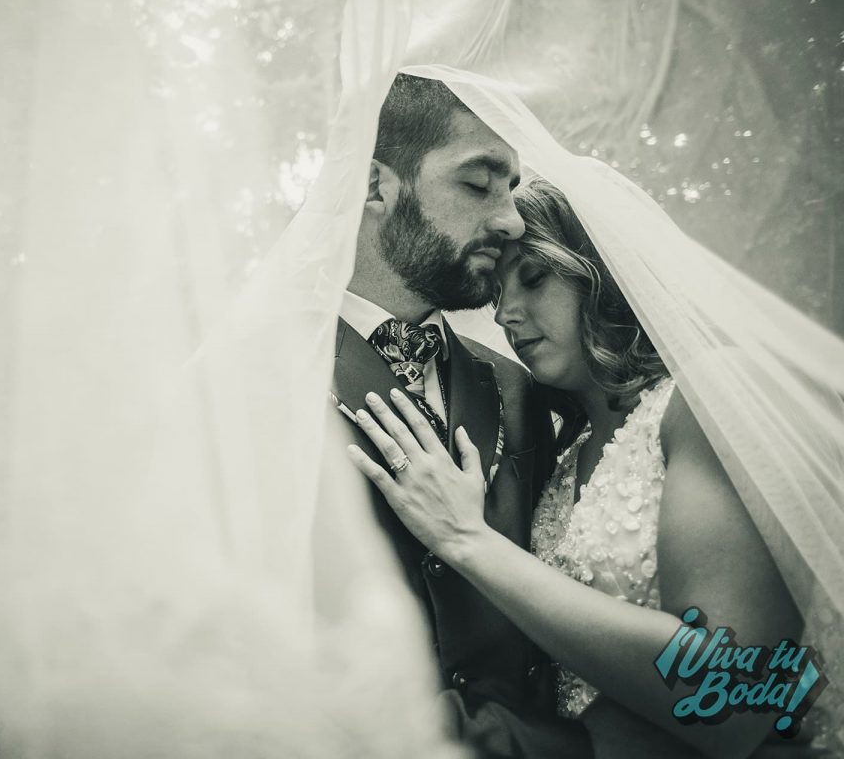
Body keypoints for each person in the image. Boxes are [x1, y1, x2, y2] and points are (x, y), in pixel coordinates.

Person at [347, 175, 826, 757]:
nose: (506, 316)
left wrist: (465, 537)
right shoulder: (557, 451)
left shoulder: (709, 395)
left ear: (604, 275)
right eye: (497, 295)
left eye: (534, 278)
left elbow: (739, 696)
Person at [329, 73, 592, 756]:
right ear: (375, 186)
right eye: (480, 185)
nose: (509, 220)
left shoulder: (517, 382)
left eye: (511, 189)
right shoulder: (258, 375)